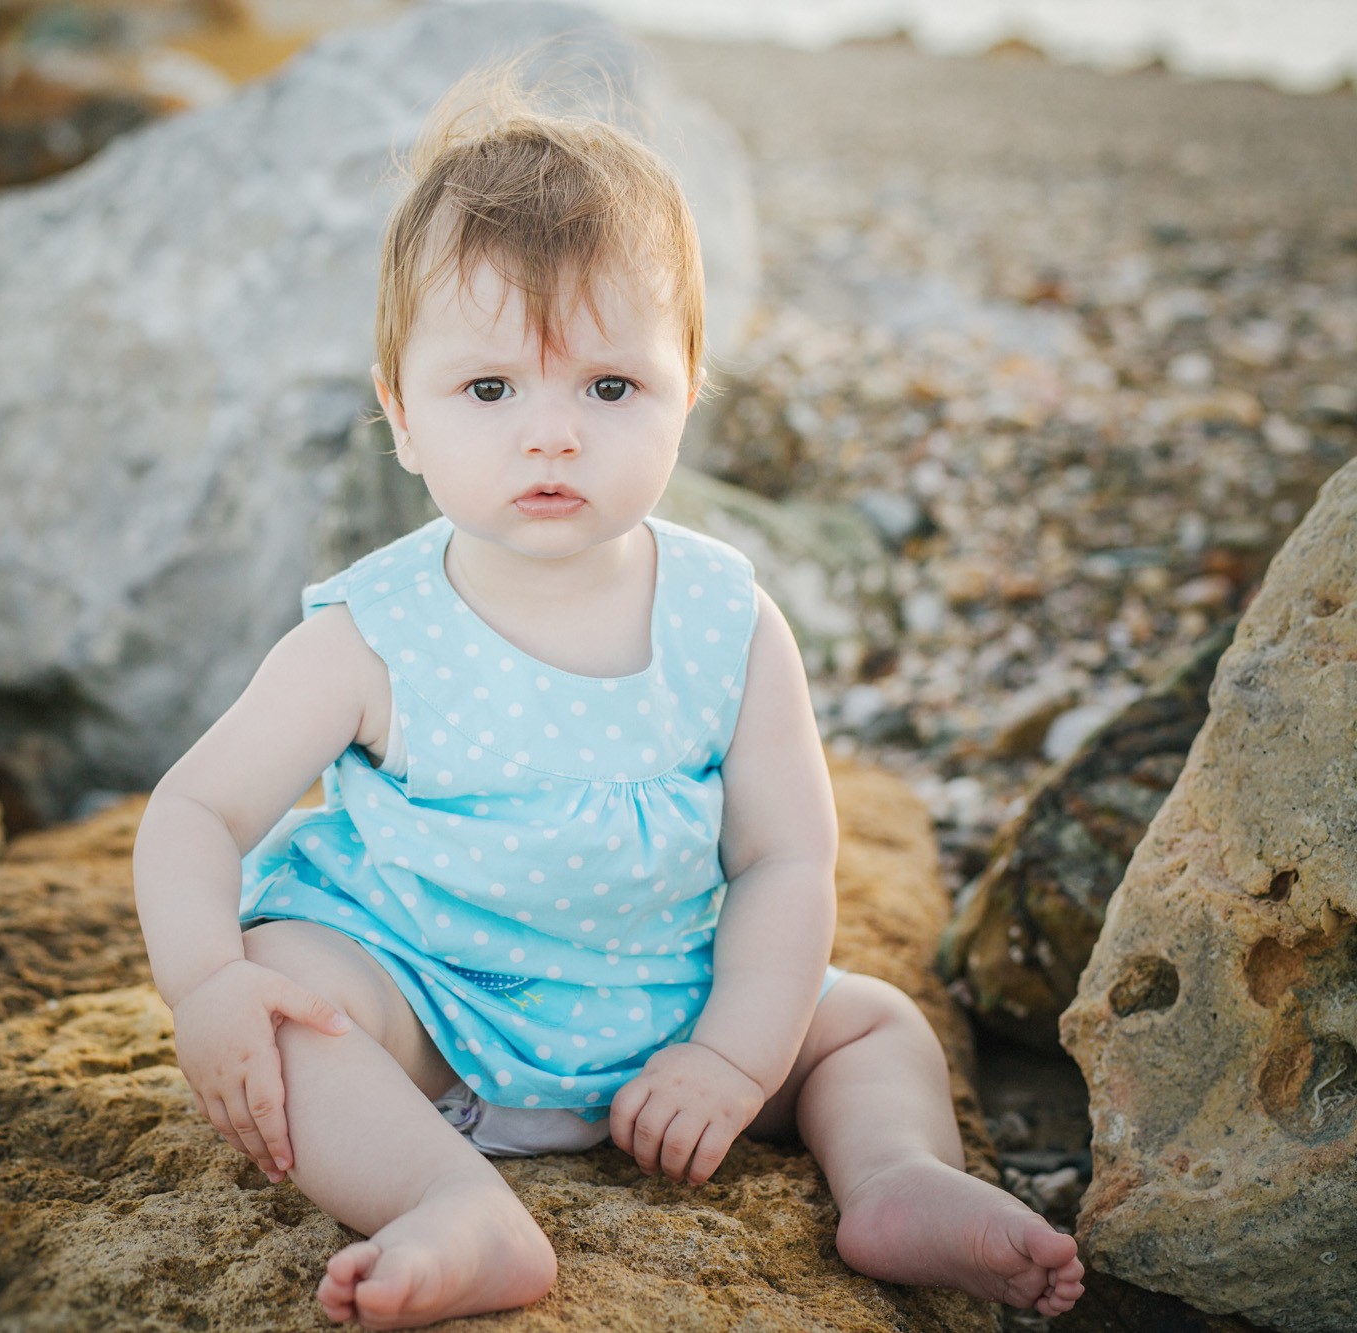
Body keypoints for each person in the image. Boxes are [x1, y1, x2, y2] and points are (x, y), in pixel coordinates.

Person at [132, 72, 1084, 1331]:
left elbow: (783, 859)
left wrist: (730, 1056)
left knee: (867, 1024)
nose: (551, 436)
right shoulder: (368, 634)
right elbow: (196, 811)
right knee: (288, 995)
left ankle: (895, 1181)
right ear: (400, 414)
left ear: (687, 388)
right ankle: (446, 1204)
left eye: (607, 387)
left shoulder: (726, 619)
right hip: (428, 1003)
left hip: (664, 1003)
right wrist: (207, 983)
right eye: (488, 389)